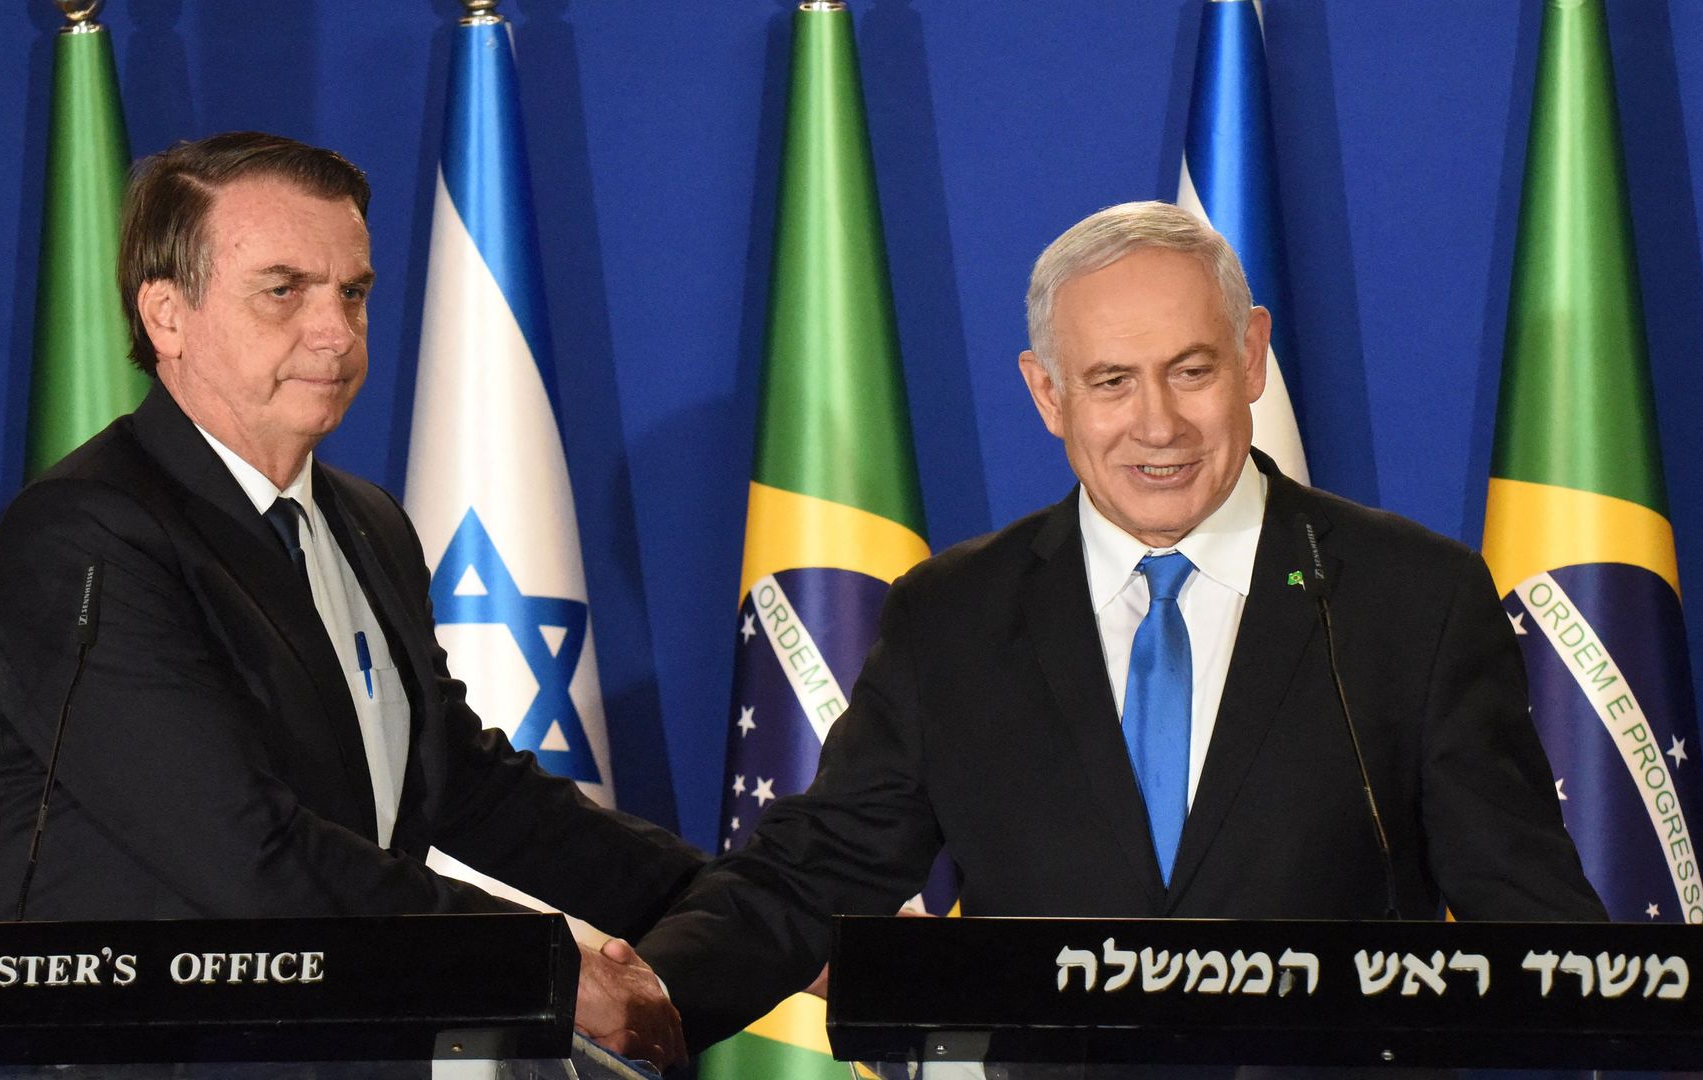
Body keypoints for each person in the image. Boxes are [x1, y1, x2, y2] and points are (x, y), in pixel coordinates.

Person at [634, 201, 1605, 1051]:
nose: (1158, 425)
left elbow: (1532, 928)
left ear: (1252, 356)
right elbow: (813, 872)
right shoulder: (955, 617)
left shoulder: (1413, 599)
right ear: (1047, 393)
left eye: (1191, 370)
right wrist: (651, 991)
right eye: (1110, 382)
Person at [0, 132, 700, 1064]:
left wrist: (738, 913)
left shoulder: (367, 524)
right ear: (167, 314)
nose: (335, 332)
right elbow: (244, 854)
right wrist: (540, 963)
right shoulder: (85, 534)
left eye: (353, 292)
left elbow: (463, 787)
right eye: (283, 290)